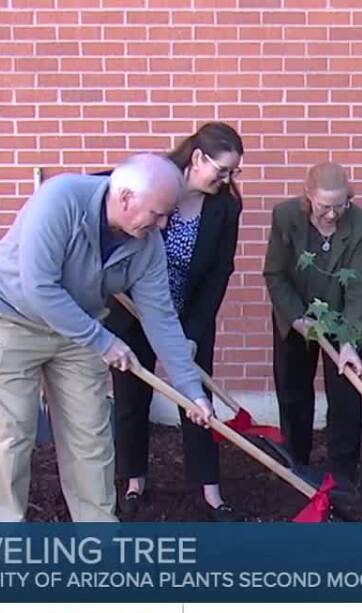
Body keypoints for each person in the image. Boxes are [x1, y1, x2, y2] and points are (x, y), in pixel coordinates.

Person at [0, 153, 213, 523]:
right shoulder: (60, 200)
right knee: (11, 438)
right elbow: (40, 287)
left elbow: (161, 318)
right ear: (126, 198)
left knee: (91, 439)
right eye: (158, 214)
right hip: (10, 319)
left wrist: (191, 391)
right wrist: (103, 342)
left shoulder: (147, 243)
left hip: (78, 330)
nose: (163, 225)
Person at [103, 123, 244, 521]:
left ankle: (210, 490)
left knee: (197, 398)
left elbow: (218, 273)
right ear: (197, 158)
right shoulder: (155, 186)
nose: (226, 179)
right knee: (131, 399)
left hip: (188, 315)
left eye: (233, 172)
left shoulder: (225, 208)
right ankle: (133, 482)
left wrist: (193, 334)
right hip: (133, 311)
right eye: (222, 170)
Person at [263, 163, 362, 491]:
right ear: (308, 196)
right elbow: (275, 274)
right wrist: (297, 319)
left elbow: (359, 289)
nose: (331, 214)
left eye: (340, 205)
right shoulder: (286, 217)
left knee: (344, 396)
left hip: (345, 318)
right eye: (324, 206)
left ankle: (343, 473)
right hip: (296, 315)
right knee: (293, 390)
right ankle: (295, 463)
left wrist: (348, 342)